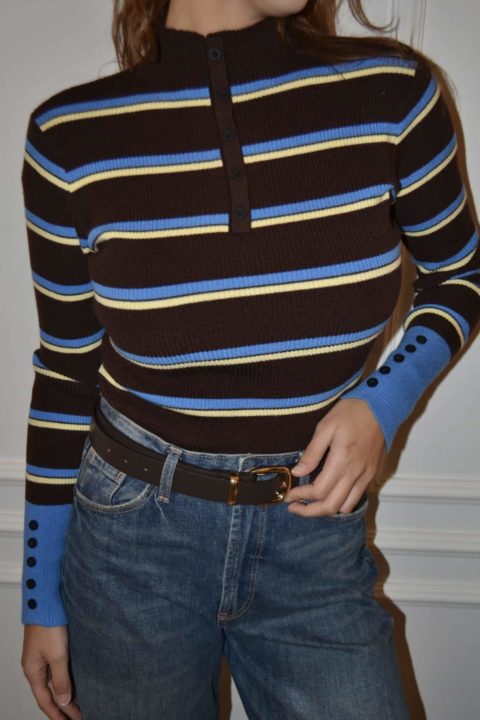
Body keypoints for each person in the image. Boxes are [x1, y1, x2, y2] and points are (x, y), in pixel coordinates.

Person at [19, 0, 480, 718]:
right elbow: (65, 373)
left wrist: (382, 404)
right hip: (130, 544)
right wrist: (40, 598)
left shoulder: (392, 93)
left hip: (314, 531)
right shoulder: (69, 136)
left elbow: (459, 275)